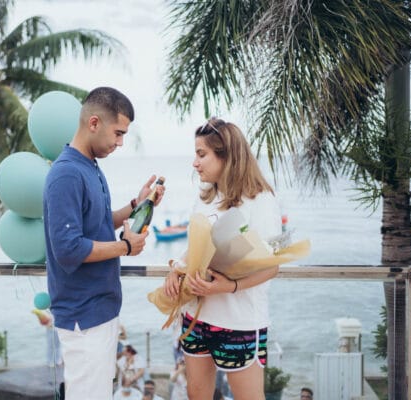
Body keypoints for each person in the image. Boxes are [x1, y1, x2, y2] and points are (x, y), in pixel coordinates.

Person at [43, 86, 165, 400]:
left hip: (100, 308)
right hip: (84, 314)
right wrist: (125, 246)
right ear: (94, 123)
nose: (120, 143)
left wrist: (138, 205)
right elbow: (68, 248)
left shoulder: (89, 167)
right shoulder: (67, 174)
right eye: (118, 133)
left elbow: (98, 222)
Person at [163, 118, 281, 400]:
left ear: (226, 155)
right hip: (195, 317)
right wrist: (175, 270)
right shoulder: (205, 198)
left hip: (238, 322)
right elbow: (194, 250)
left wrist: (227, 287)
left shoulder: (260, 200)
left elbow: (272, 266)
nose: (195, 162)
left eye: (201, 154)